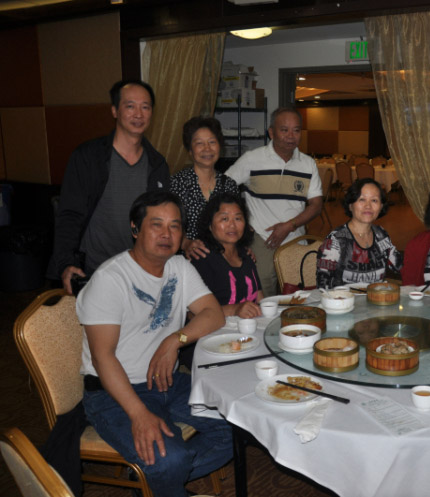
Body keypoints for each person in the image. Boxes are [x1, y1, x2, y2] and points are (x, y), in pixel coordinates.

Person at [76, 191, 231, 497]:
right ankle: (163, 477)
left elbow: (214, 314)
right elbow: (103, 357)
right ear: (135, 228)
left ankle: (152, 482)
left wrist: (176, 339)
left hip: (166, 382)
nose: (166, 234)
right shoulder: (111, 279)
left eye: (175, 226)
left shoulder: (180, 267)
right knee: (170, 459)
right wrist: (138, 414)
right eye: (156, 224)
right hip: (114, 393)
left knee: (238, 428)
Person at [49, 79, 170, 295]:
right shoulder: (88, 157)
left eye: (145, 107)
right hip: (93, 271)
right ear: (115, 111)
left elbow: (161, 222)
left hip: (141, 271)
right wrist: (66, 263)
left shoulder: (157, 164)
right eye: (130, 106)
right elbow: (69, 214)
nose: (139, 114)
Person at [225, 107, 323, 296]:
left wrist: (289, 226)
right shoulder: (252, 159)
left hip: (295, 235)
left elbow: (316, 205)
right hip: (261, 237)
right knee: (263, 291)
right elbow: (223, 189)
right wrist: (240, 221)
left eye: (296, 130)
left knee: (299, 292)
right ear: (271, 132)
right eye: (284, 130)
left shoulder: (307, 163)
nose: (291, 136)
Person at [170, 117, 240, 260]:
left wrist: (243, 249)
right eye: (199, 143)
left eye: (212, 142)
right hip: (187, 261)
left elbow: (237, 225)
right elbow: (168, 226)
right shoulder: (176, 183)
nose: (207, 148)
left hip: (223, 261)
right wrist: (185, 243)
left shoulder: (229, 185)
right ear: (190, 150)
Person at [316, 178, 402, 288]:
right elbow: (323, 287)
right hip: (340, 299)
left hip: (376, 297)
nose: (368, 206)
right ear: (350, 205)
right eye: (362, 199)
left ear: (381, 206)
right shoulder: (336, 240)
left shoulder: (381, 235)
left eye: (374, 200)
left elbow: (400, 266)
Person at [192, 192, 263, 318]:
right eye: (224, 219)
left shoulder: (246, 255)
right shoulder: (202, 258)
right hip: (217, 329)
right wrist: (234, 310)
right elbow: (192, 315)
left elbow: (260, 299)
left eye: (238, 218)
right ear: (210, 225)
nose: (232, 225)